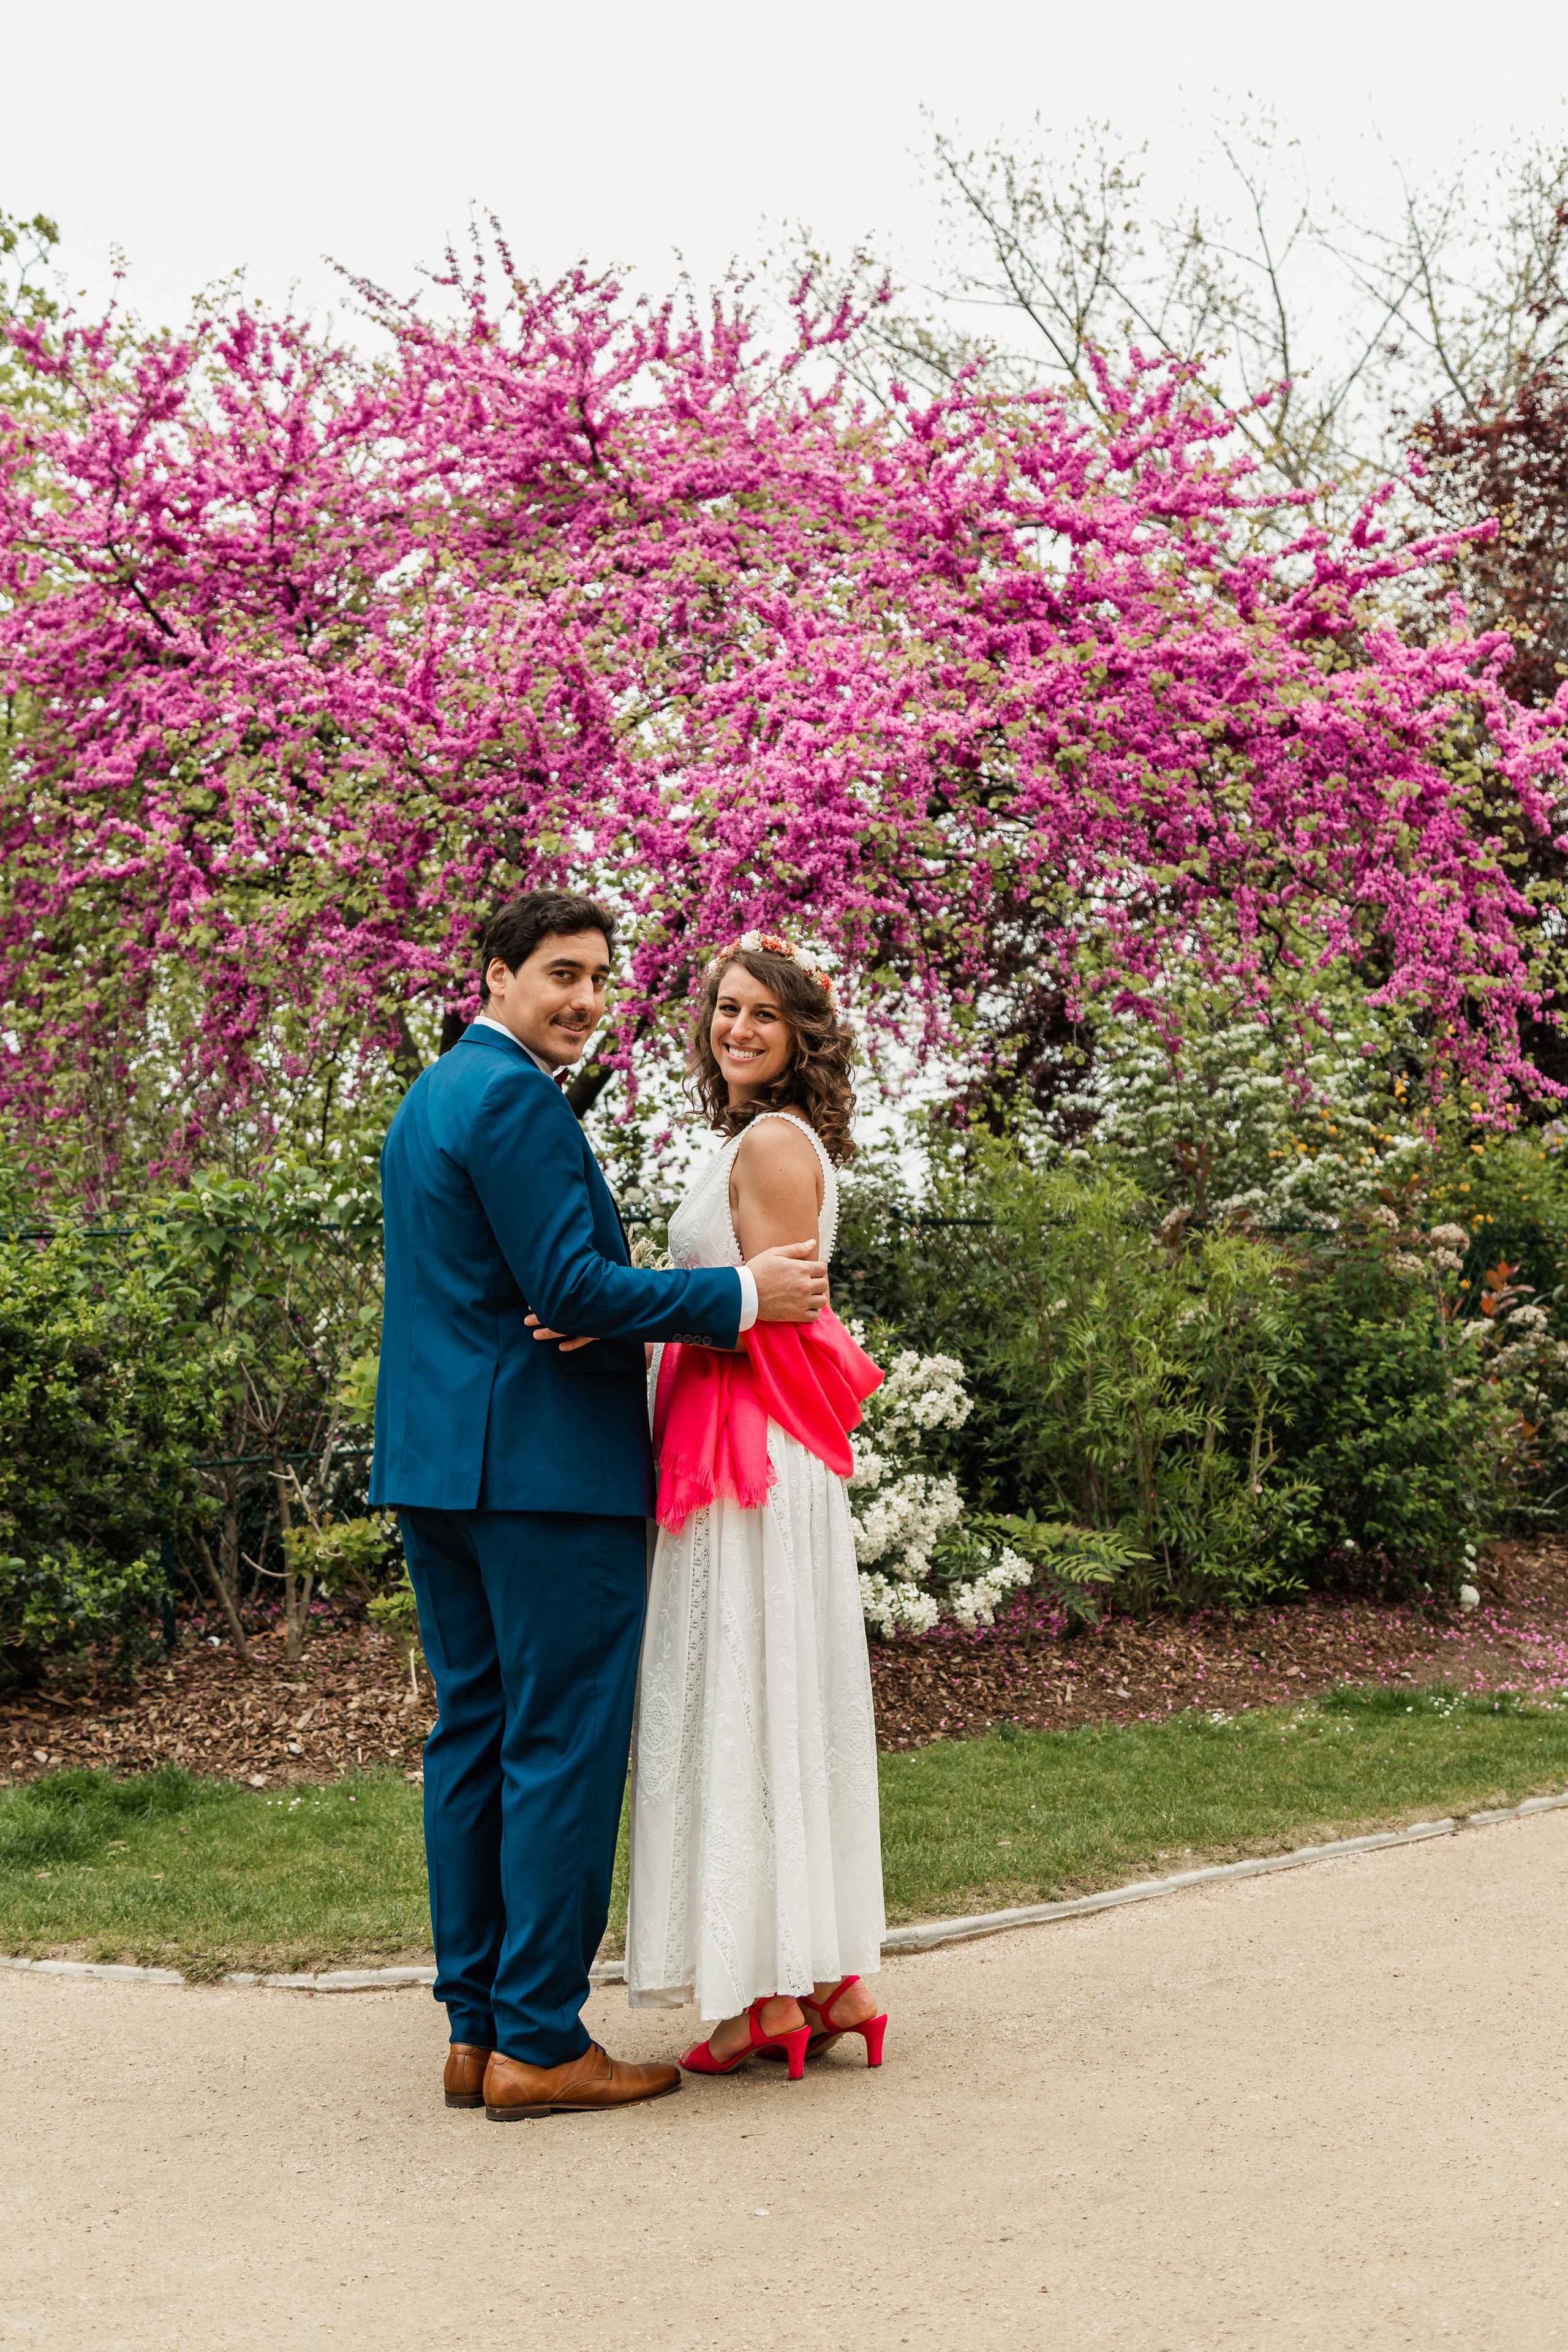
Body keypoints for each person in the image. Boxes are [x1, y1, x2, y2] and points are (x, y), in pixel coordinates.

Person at [370, 891, 831, 2123]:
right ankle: (538, 2038)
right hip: (539, 1475)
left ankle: (473, 2031)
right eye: (559, 975)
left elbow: (517, 1290)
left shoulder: (433, 1098)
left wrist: (590, 1300)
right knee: (560, 1745)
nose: (581, 998)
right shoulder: (515, 1098)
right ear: (495, 972)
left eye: (596, 979)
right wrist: (739, 1296)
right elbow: (564, 1284)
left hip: (437, 1470)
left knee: (471, 1737)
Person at [626, 933, 889, 2079]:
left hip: (751, 1460)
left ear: (800, 1040)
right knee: (755, 1699)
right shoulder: (743, 1137)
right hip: (726, 1443)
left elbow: (785, 1320)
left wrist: (643, 1308)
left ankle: (759, 1999)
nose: (735, 1029)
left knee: (746, 1695)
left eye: (762, 1018)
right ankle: (819, 1984)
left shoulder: (777, 1141)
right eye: (726, 1010)